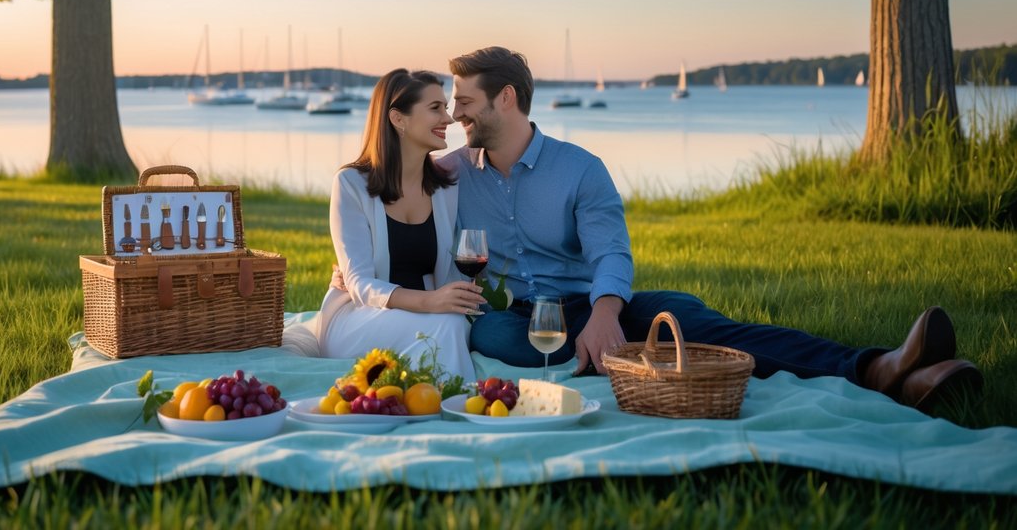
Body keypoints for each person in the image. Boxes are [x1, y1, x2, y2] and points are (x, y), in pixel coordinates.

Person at [438, 46, 982, 412]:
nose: (456, 113)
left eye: (464, 100)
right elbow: (380, 183)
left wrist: (605, 315)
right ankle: (899, 377)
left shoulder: (580, 168)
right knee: (492, 334)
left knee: (691, 321)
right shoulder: (453, 172)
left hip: (591, 303)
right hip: (513, 317)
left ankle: (881, 368)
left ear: (504, 98)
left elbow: (611, 253)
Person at [316, 69, 483, 382]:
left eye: (445, 108)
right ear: (398, 119)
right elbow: (360, 285)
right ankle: (458, 406)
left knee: (456, 323)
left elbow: (448, 272)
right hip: (356, 318)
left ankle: (439, 400)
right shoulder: (351, 184)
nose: (447, 119)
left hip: (425, 314)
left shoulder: (446, 187)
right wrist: (431, 302)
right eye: (435, 108)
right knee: (449, 326)